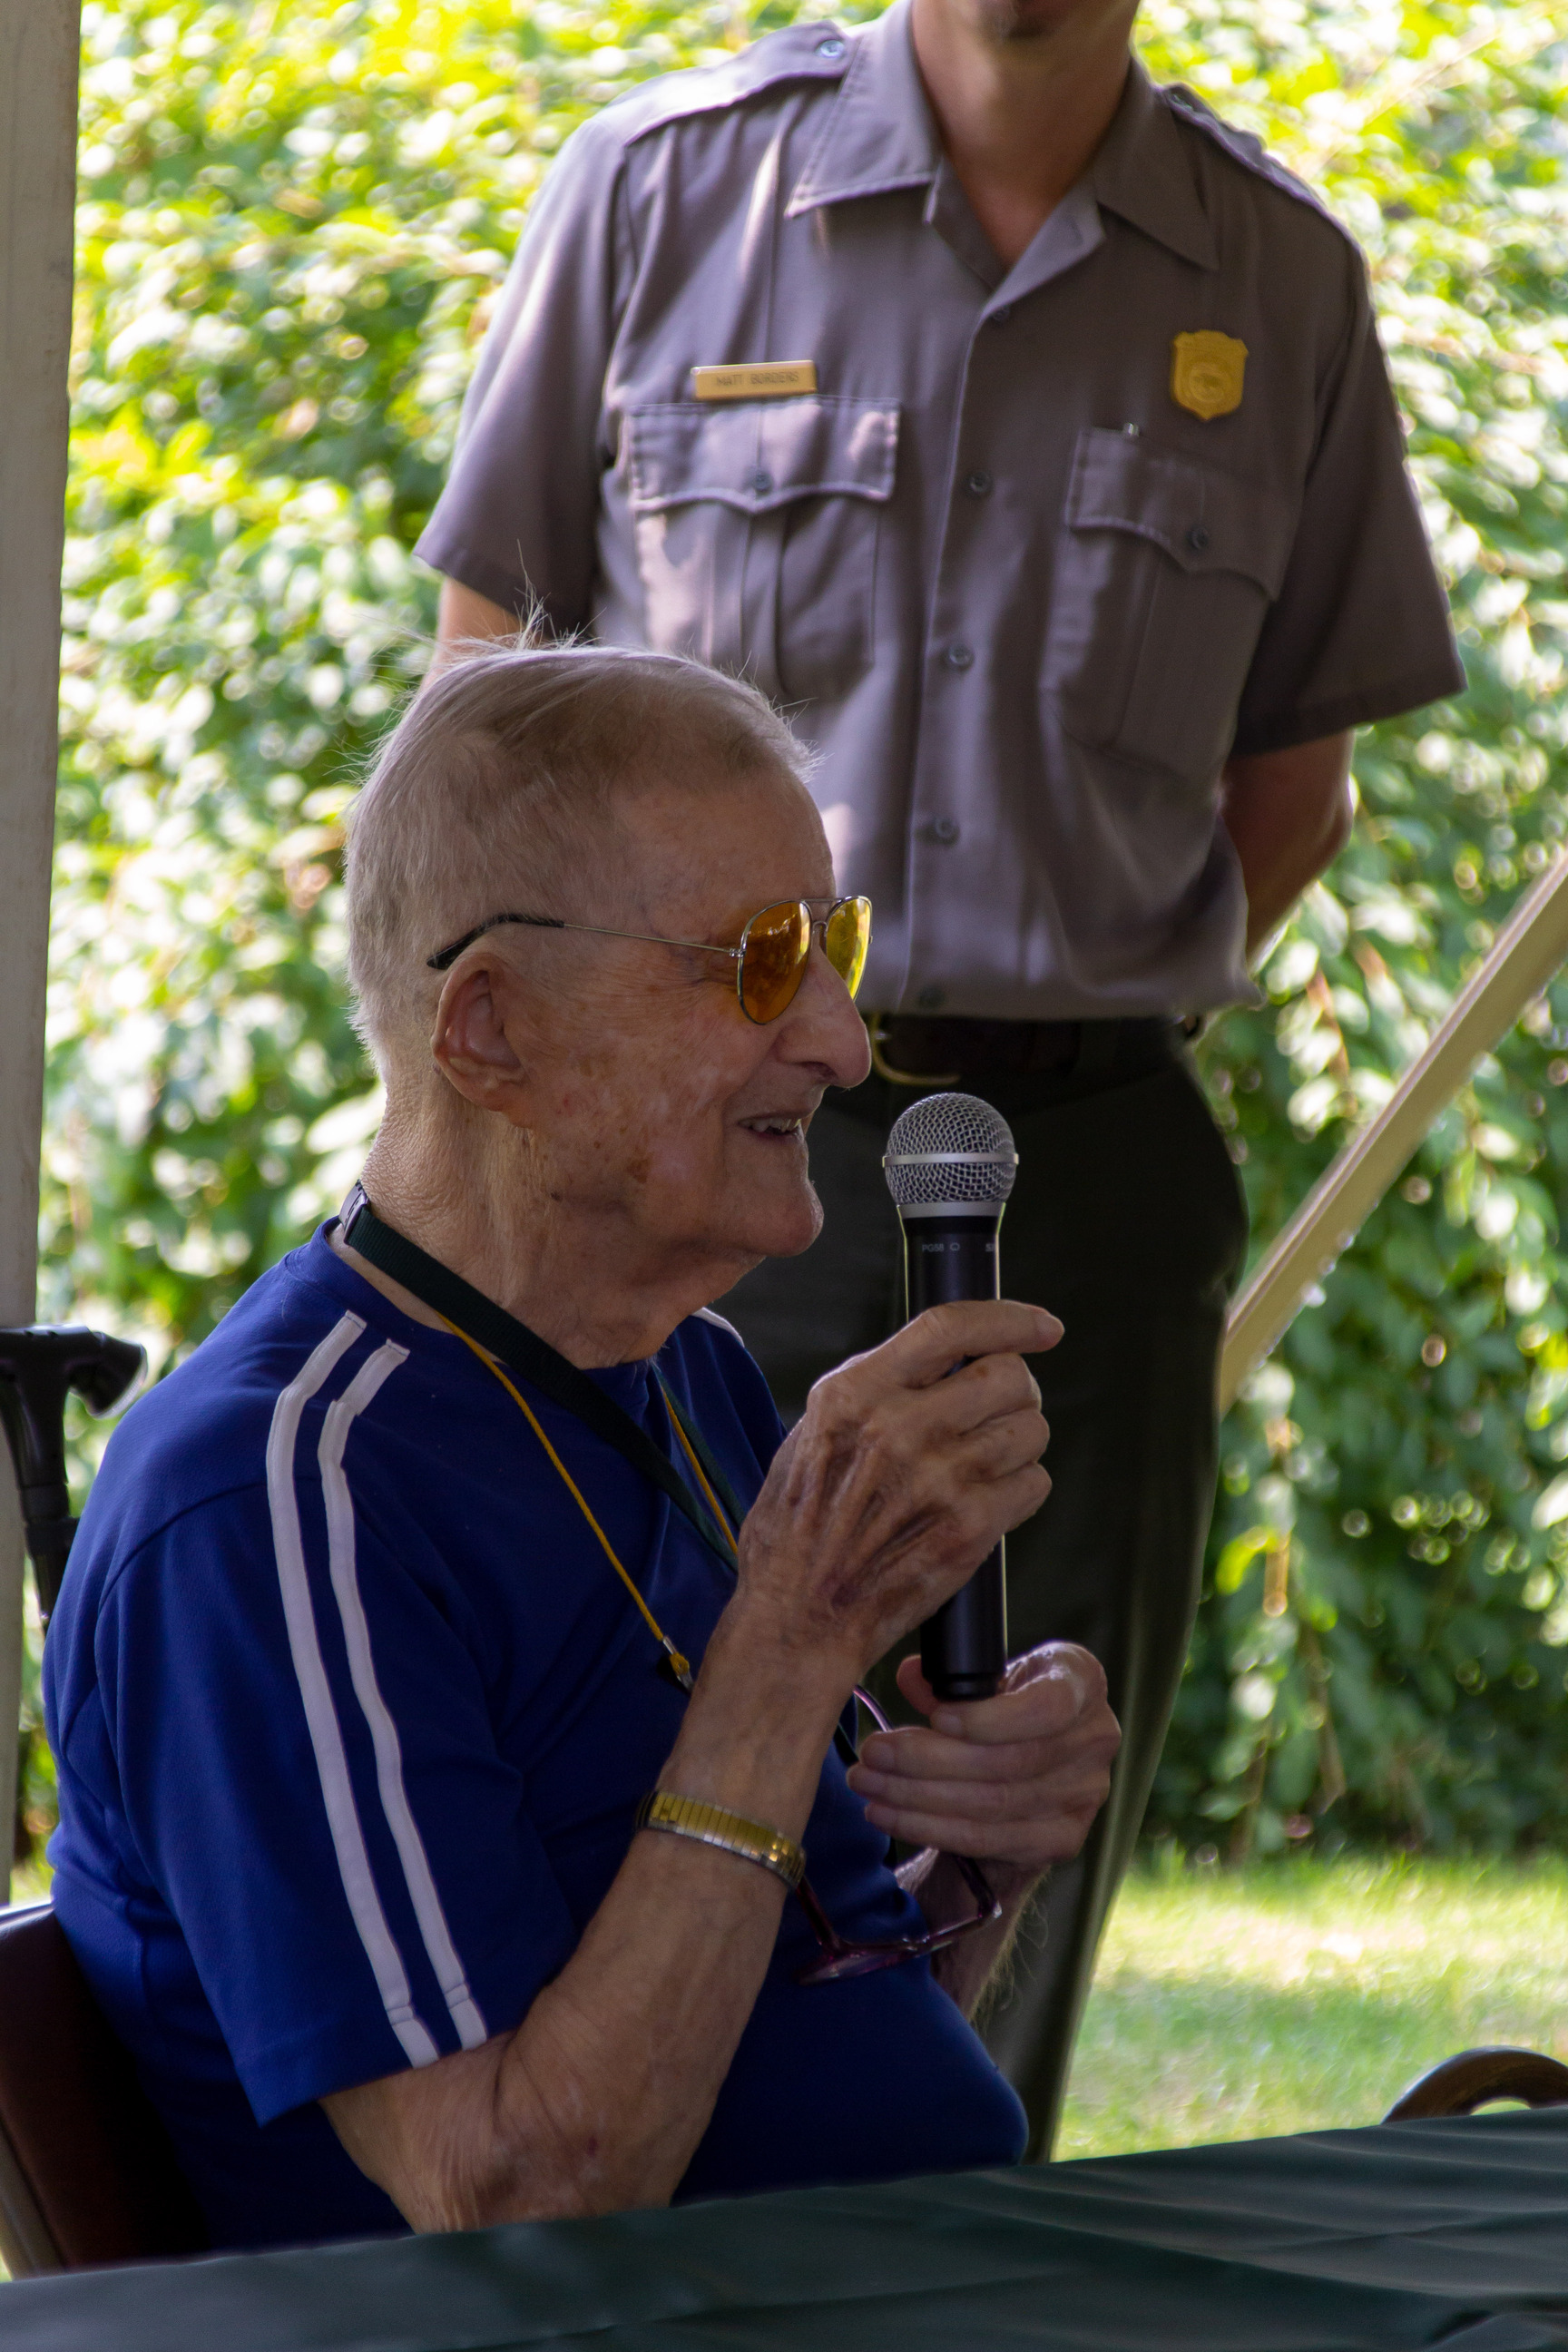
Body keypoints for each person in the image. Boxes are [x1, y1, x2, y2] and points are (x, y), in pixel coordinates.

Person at [411, 0, 1465, 2145]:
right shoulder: (667, 190)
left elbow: (1297, 794)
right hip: (682, 1162)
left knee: (1016, 1805)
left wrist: (1048, 1005)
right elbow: (484, 711)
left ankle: (972, 2259)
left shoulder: (1277, 272)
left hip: (1079, 1160)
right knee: (639, 1750)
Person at [43, 643, 1120, 2255]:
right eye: (758, 962)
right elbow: (518, 2198)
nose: (839, 1036)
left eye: (833, 943)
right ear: (490, 1034)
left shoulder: (689, 1375)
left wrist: (978, 1859)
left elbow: (800, 2037)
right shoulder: (280, 1498)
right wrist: (785, 1650)